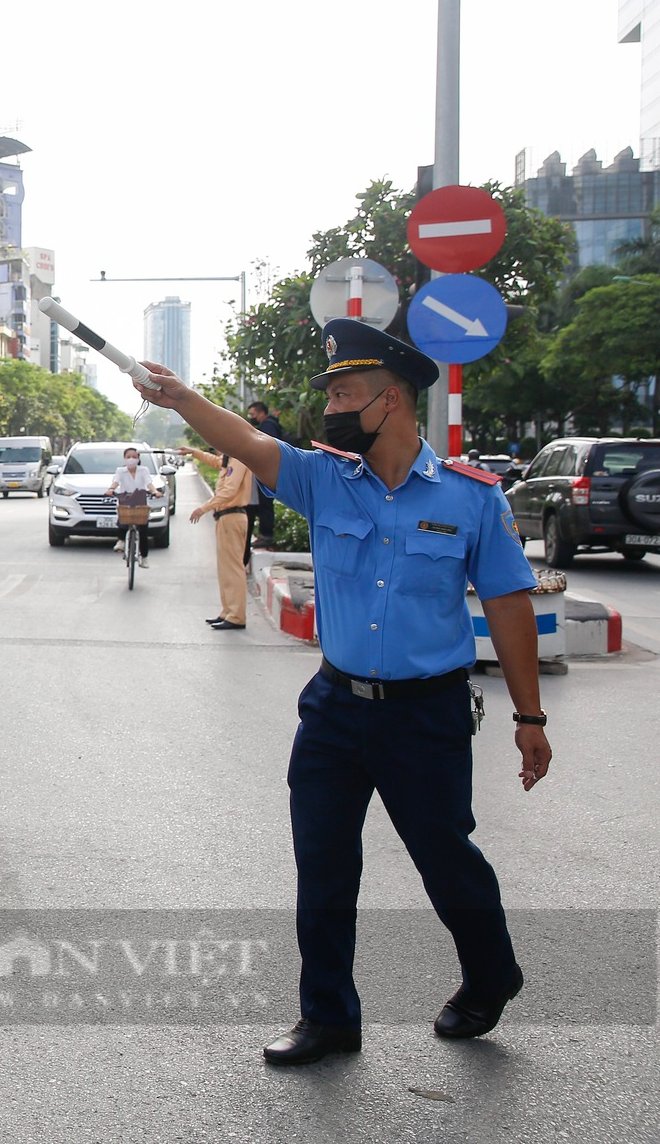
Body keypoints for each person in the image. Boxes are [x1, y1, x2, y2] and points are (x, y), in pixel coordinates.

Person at [133, 317, 551, 1067]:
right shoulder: (324, 478)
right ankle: (328, 1015)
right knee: (323, 864)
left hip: (427, 713)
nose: (330, 407)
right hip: (333, 707)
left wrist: (529, 716)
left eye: (345, 393)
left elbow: (511, 605)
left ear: (391, 400)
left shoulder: (470, 498)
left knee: (445, 858)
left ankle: (492, 973)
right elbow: (250, 442)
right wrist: (181, 397)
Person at [184, 444, 255, 630]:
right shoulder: (229, 460)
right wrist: (194, 452)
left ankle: (237, 615)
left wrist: (203, 508)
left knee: (233, 567)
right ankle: (228, 611)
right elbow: (215, 462)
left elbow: (229, 491)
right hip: (225, 518)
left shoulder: (238, 460)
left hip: (232, 516)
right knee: (225, 568)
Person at [103, 447, 161, 566]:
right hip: (126, 500)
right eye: (128, 457)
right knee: (123, 517)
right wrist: (111, 489)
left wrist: (155, 491)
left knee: (143, 531)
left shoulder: (144, 470)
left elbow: (148, 483)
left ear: (138, 459)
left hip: (140, 500)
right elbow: (116, 481)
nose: (131, 459)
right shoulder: (120, 471)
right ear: (124, 459)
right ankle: (121, 540)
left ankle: (144, 557)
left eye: (134, 457)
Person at [247, 401, 286, 550]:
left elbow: (268, 448)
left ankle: (266, 535)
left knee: (265, 504)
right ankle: (264, 534)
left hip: (268, 470)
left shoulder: (268, 426)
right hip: (268, 470)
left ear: (262, 413)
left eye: (253, 414)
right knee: (263, 504)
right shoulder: (269, 424)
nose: (251, 417)